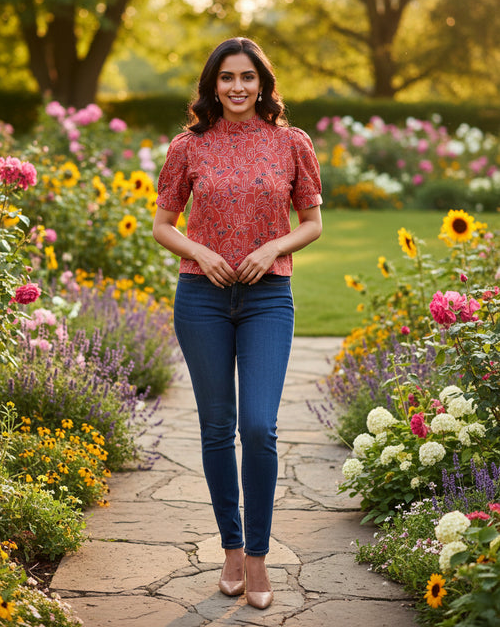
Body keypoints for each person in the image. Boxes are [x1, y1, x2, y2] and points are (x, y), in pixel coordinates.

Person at [153, 37, 322, 609]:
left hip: (267, 298)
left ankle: (257, 556)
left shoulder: (291, 143)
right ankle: (230, 549)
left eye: (247, 77)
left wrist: (273, 244)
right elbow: (164, 225)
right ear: (212, 85)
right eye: (226, 78)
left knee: (258, 426)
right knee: (216, 427)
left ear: (263, 83)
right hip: (201, 298)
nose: (237, 88)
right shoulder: (188, 146)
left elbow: (313, 221)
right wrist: (199, 253)